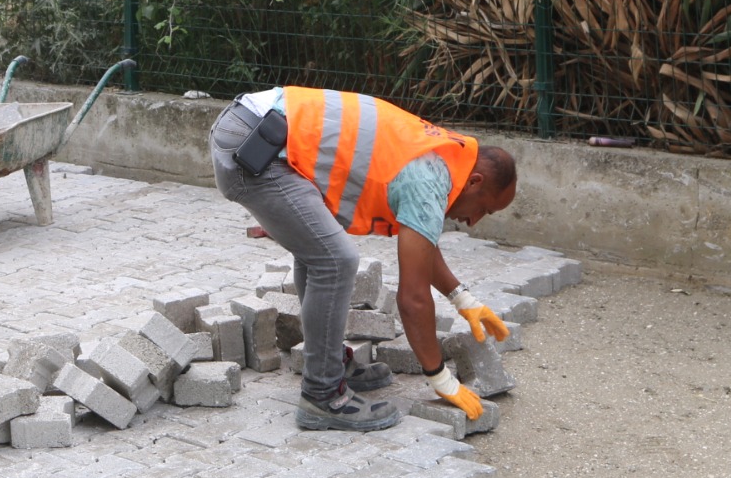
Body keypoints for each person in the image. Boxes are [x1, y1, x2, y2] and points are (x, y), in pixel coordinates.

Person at [210, 86, 517, 432]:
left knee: (319, 253)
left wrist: (463, 298)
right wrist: (441, 378)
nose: (474, 221)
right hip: (256, 147)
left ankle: (327, 363)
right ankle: (322, 394)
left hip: (258, 129)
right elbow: (413, 300)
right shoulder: (430, 179)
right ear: (475, 182)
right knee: (335, 260)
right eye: (485, 210)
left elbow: (423, 247)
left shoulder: (442, 156)